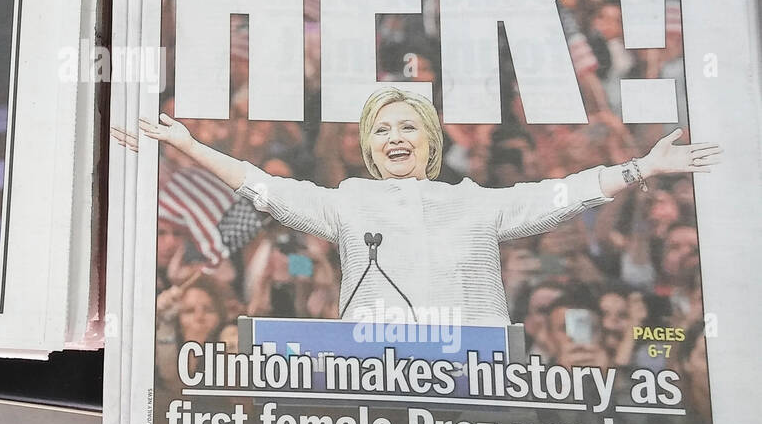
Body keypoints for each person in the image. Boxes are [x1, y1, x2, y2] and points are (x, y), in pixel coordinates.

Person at [140, 85, 720, 326]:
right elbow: (261, 187)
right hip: (376, 375)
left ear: (430, 143)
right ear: (368, 147)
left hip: (472, 377)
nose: (395, 138)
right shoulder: (349, 203)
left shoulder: (474, 205)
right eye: (382, 130)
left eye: (408, 127)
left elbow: (561, 196)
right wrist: (190, 147)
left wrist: (640, 168)